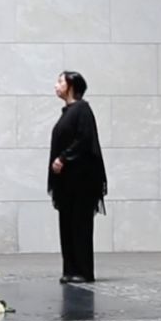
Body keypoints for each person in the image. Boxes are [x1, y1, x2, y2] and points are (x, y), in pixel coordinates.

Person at [49, 71, 107, 284]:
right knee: (67, 224)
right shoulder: (68, 112)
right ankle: (70, 269)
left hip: (81, 182)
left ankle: (83, 270)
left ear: (71, 85)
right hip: (68, 183)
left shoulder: (82, 110)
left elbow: (84, 140)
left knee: (80, 225)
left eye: (60, 81)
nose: (56, 85)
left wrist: (63, 158)